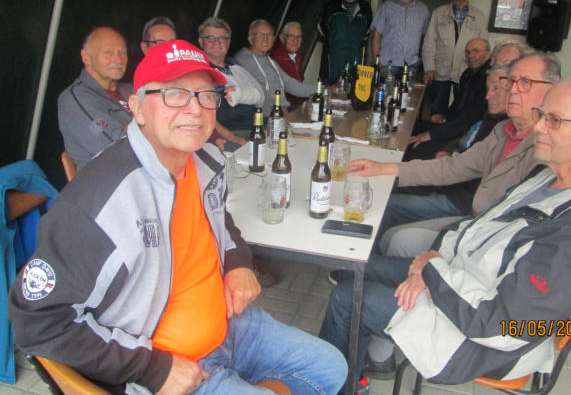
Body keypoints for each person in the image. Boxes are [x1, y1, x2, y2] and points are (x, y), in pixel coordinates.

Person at [10, 40, 347, 395]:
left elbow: (220, 221)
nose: (195, 109)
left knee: (330, 367)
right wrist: (152, 370)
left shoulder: (206, 161)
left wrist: (238, 263)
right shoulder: (96, 204)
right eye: (174, 94)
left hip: (230, 325)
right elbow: (37, 321)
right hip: (166, 363)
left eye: (206, 95)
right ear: (137, 108)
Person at [320, 77, 571, 390]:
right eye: (542, 115)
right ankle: (353, 375)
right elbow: (473, 227)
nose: (538, 127)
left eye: (555, 120)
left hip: (479, 344)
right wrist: (432, 263)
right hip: (461, 282)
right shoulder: (550, 177)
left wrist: (433, 273)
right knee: (353, 269)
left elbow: (507, 326)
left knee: (349, 298)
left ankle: (333, 385)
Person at [356, 52, 561, 248]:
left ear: (552, 90)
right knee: (390, 235)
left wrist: (459, 229)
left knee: (399, 238)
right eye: (511, 81)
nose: (513, 90)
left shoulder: (550, 147)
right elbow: (456, 166)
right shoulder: (502, 130)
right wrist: (384, 168)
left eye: (525, 82)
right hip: (473, 219)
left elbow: (521, 218)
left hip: (489, 236)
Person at [139, 16, 245, 149]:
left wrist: (215, 137)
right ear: (145, 47)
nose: (168, 48)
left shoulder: (188, 74)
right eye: (160, 42)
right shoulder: (141, 84)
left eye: (172, 43)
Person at [57, 26, 132, 170]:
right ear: (86, 57)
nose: (118, 59)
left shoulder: (132, 90)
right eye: (108, 52)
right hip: (112, 179)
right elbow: (116, 148)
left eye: (122, 53)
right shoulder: (75, 99)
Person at [404, 38, 491, 161]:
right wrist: (444, 116)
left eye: (475, 51)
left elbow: (469, 120)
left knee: (412, 147)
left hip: (463, 135)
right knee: (411, 127)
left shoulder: (488, 81)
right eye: (467, 52)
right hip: (452, 125)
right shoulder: (468, 74)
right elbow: (457, 105)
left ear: (487, 55)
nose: (470, 56)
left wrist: (431, 134)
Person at [422, 0, 488, 115]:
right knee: (437, 110)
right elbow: (429, 42)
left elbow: (483, 48)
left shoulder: (479, 17)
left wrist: (478, 73)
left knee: (461, 111)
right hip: (440, 71)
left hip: (466, 72)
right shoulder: (439, 13)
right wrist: (429, 67)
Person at [198, 16, 264, 134]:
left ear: (228, 42)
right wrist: (231, 137)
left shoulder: (235, 66)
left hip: (258, 125)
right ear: (201, 42)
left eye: (222, 38)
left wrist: (241, 93)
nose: (217, 42)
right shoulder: (199, 72)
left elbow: (261, 96)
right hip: (232, 132)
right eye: (210, 38)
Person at [235, 19, 316, 115]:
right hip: (266, 116)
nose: (265, 38)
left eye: (269, 35)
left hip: (285, 110)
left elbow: (292, 85)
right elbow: (243, 96)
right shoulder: (242, 61)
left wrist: (322, 89)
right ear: (250, 39)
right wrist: (271, 110)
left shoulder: (270, 61)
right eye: (260, 34)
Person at [317, 0, 373, 85]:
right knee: (329, 95)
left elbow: (366, 34)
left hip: (355, 67)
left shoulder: (365, 8)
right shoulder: (330, 5)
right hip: (332, 66)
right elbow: (321, 30)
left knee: (352, 96)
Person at [371, 0, 430, 77]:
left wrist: (421, 57)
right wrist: (376, 60)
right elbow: (376, 35)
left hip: (411, 65)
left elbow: (427, 37)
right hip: (387, 64)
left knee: (408, 88)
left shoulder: (423, 10)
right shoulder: (386, 6)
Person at [270, 21, 306, 108]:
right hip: (284, 106)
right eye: (291, 36)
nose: (295, 41)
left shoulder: (297, 56)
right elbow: (292, 90)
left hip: (297, 103)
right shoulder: (277, 58)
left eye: (298, 37)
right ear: (282, 38)